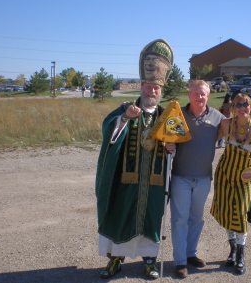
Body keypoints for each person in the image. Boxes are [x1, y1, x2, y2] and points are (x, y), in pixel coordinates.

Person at [95, 39, 174, 280]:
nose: (152, 91)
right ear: (141, 86)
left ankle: (149, 260)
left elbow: (179, 143)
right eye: (148, 86)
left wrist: (173, 148)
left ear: (161, 91)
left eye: (156, 88)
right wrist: (126, 119)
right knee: (120, 216)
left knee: (150, 220)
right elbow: (109, 130)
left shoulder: (167, 116)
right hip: (125, 181)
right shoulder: (126, 109)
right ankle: (115, 260)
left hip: (154, 182)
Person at [167, 80, 225, 279]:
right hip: (181, 176)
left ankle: (191, 254)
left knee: (196, 219)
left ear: (208, 95)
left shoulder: (217, 116)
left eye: (203, 94)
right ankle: (180, 261)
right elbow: (163, 135)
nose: (200, 97)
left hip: (203, 178)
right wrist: (168, 144)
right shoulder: (178, 115)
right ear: (189, 94)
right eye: (196, 93)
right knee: (179, 220)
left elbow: (237, 128)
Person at [210, 89, 251, 275]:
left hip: (245, 179)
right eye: (238, 105)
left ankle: (241, 255)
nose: (242, 108)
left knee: (241, 214)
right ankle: (232, 250)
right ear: (233, 108)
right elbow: (208, 141)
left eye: (246, 104)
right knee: (228, 212)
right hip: (225, 175)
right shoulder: (226, 124)